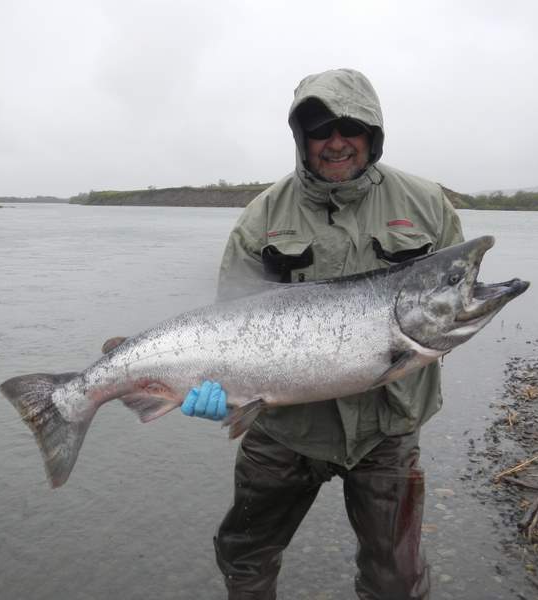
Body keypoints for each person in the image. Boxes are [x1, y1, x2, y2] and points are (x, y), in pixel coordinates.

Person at [181, 68, 464, 600]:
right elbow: (228, 323)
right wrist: (220, 392)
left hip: (389, 426)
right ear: (301, 139)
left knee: (397, 579)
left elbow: (447, 302)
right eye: (319, 128)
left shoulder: (427, 205)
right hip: (285, 430)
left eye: (349, 127)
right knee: (245, 555)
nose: (335, 142)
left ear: (372, 134)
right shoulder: (260, 219)